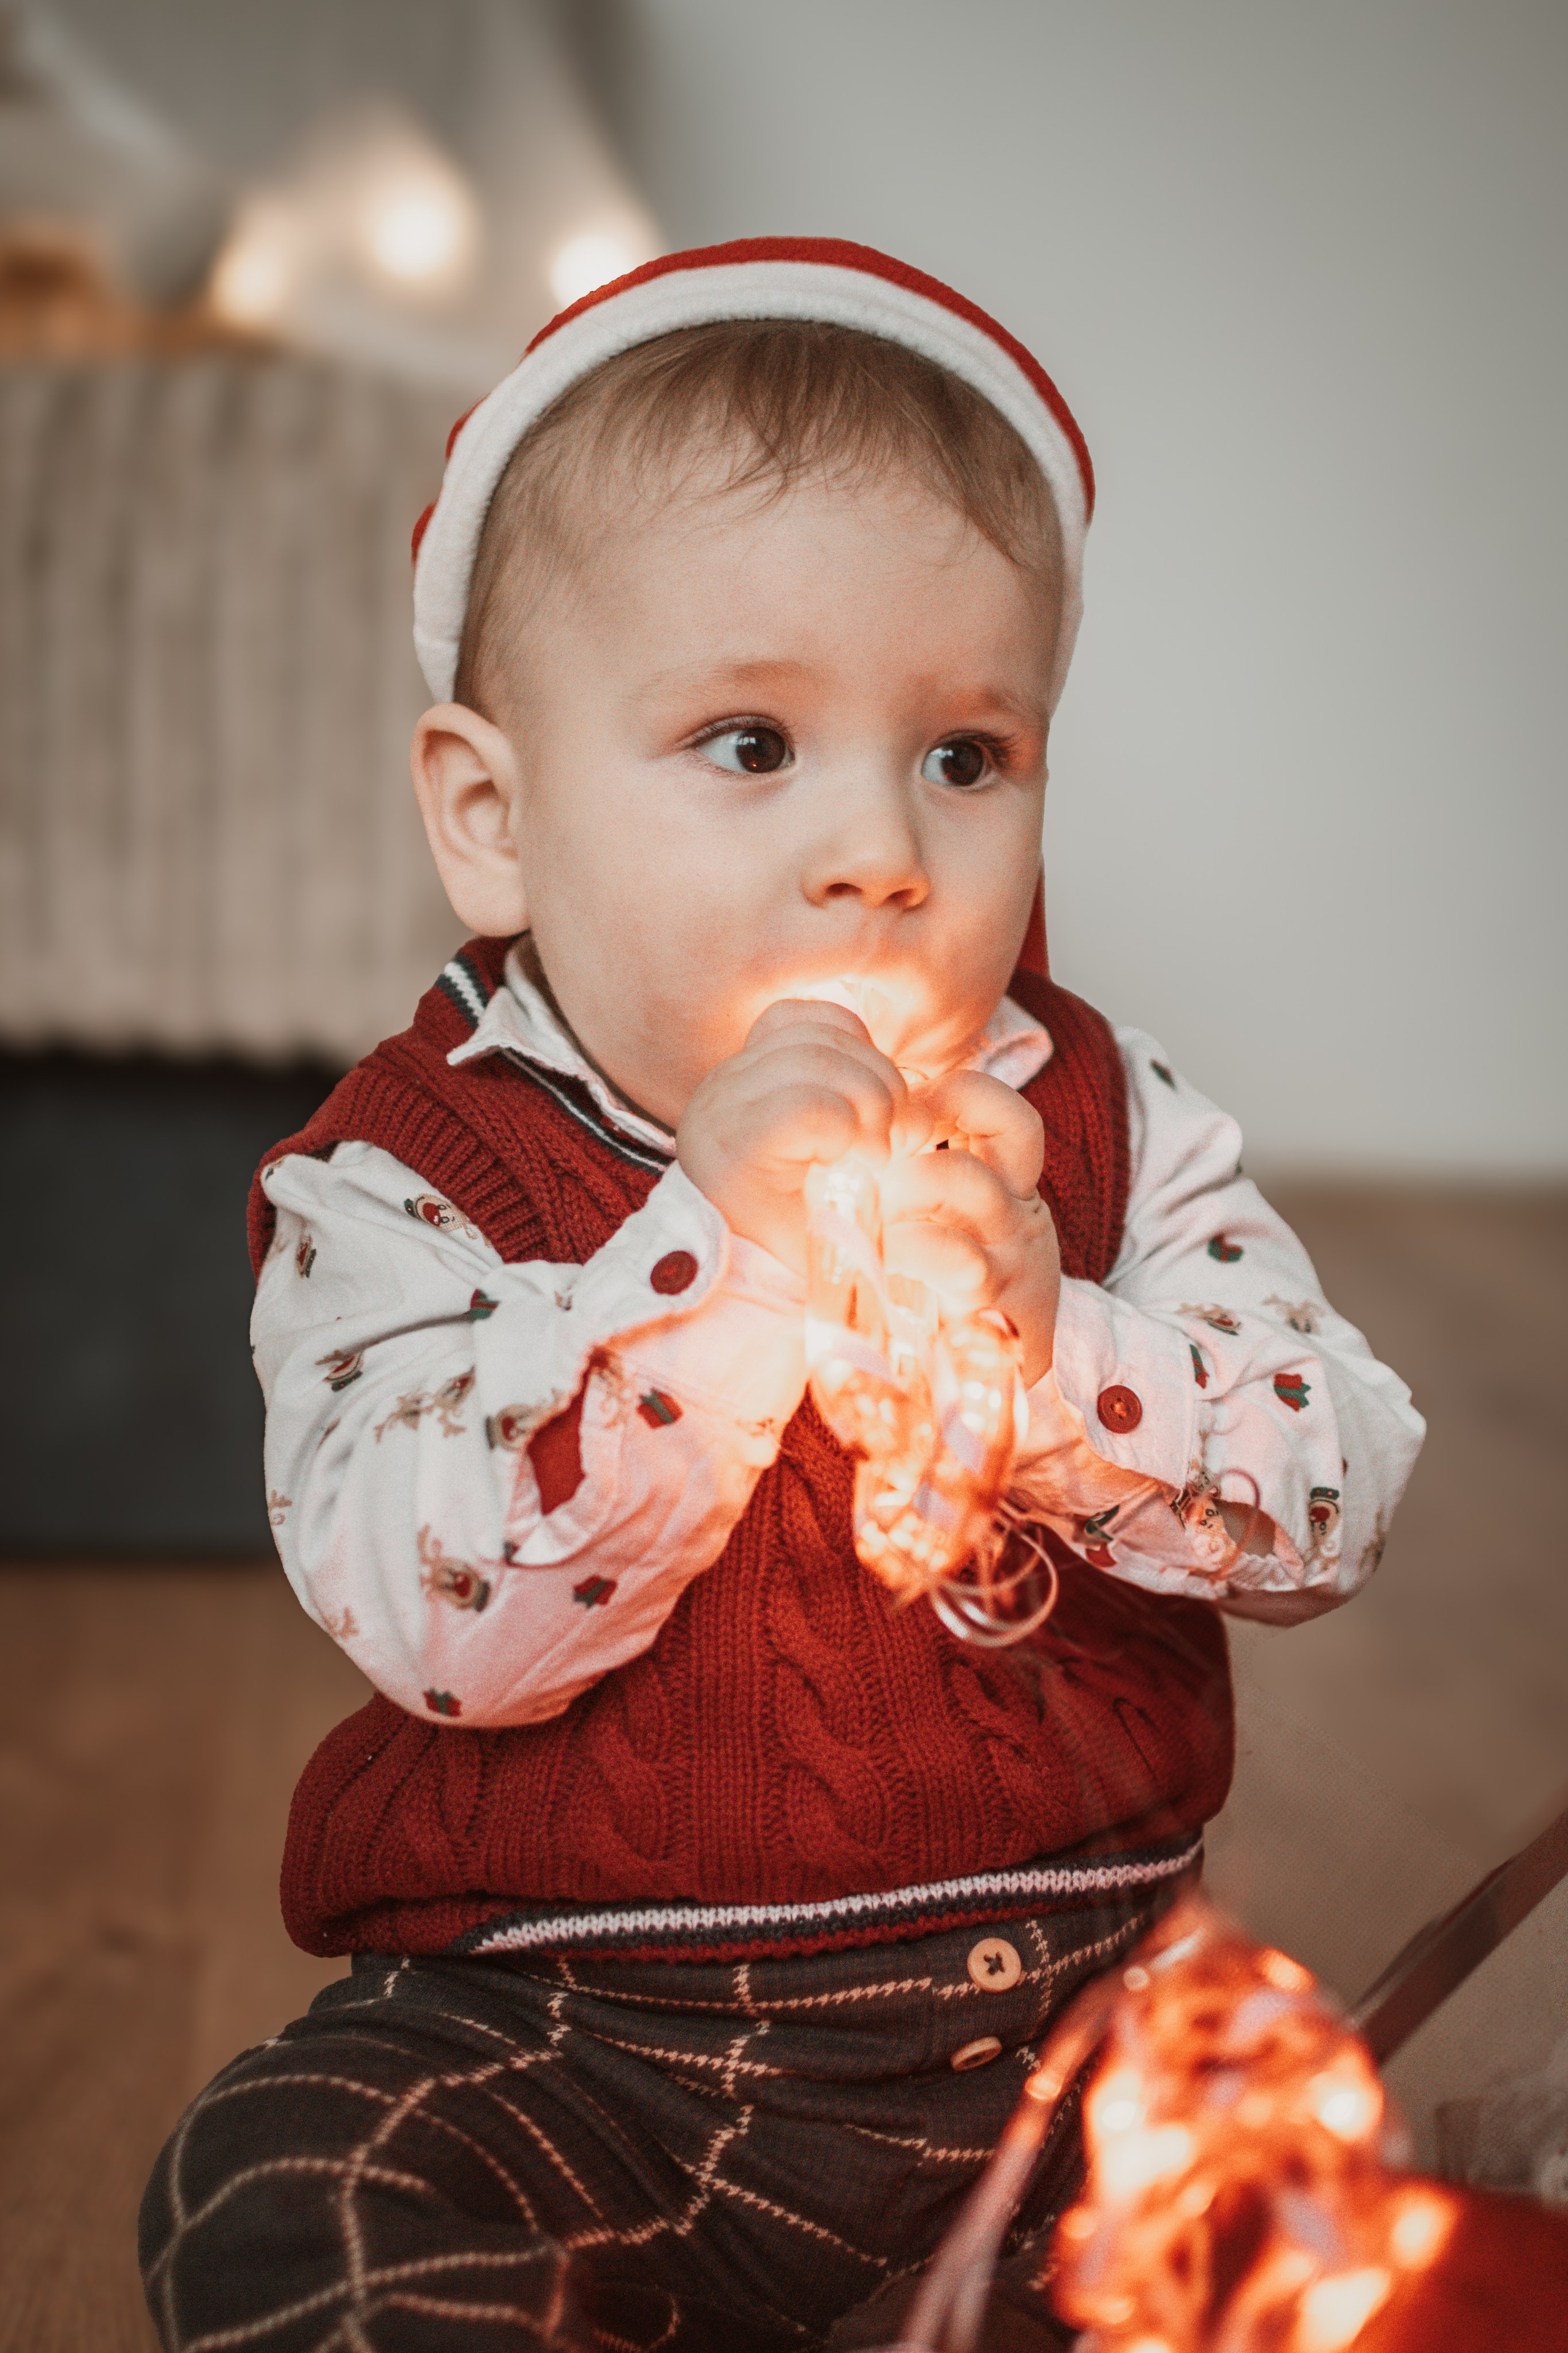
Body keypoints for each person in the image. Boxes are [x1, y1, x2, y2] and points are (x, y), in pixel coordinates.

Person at [139, 238, 1423, 2353]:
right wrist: (718, 1265)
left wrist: (1057, 1355)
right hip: (582, 2038)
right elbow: (442, 1616)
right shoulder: (402, 1178)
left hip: (1072, 2047)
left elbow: (1341, 1489)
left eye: (965, 754)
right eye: (750, 741)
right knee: (293, 2188)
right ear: (493, 816)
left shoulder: (1096, 1117)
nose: (878, 855)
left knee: (1314, 2229)